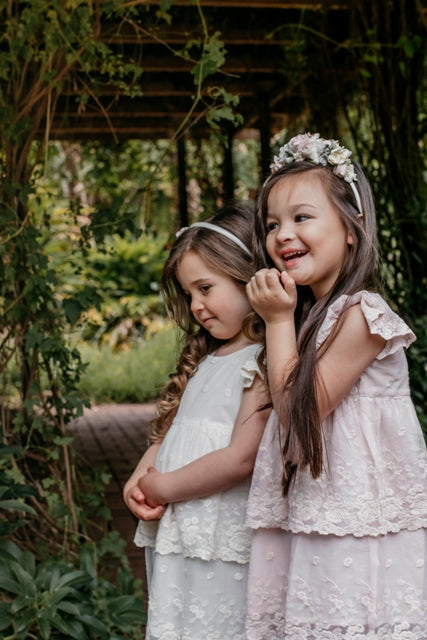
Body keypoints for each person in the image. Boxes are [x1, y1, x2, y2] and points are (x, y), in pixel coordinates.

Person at [244, 132, 427, 639]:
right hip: (317, 509)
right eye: (272, 224)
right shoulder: (313, 316)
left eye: (302, 217)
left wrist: (277, 321)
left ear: (352, 227)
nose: (282, 235)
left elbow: (299, 410)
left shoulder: (364, 315)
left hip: (356, 516)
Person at [123, 203, 270, 640]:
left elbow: (241, 458)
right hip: (180, 529)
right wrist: (142, 474)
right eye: (189, 294)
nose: (196, 306)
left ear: (248, 274)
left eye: (205, 288)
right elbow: (175, 433)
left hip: (218, 532)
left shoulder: (262, 360)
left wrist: (163, 487)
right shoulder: (208, 356)